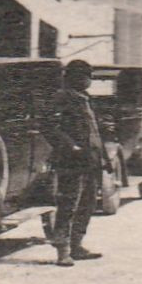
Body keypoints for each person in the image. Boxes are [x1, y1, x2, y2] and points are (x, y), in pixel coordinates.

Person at [46, 59, 106, 266]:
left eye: (89, 76)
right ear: (73, 77)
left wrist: (103, 157)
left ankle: (76, 245)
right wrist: (70, 146)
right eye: (85, 76)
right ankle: (62, 251)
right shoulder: (61, 98)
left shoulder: (86, 99)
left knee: (87, 203)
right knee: (68, 203)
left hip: (91, 159)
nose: (89, 81)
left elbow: (94, 131)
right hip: (71, 160)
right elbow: (49, 127)